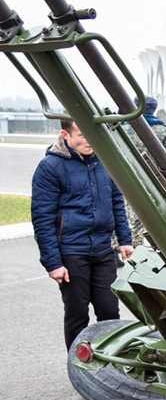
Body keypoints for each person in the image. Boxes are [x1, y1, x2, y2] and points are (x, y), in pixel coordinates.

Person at [31, 119, 133, 350]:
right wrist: (53, 263)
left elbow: (116, 201)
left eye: (90, 134)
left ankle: (111, 364)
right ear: (65, 134)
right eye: (81, 135)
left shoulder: (105, 162)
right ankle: (77, 364)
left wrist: (125, 240)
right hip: (72, 252)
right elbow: (42, 219)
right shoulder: (50, 167)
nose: (89, 141)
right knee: (77, 314)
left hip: (103, 250)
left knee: (110, 311)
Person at [121, 95, 166, 247]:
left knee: (134, 217)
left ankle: (136, 249)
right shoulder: (162, 130)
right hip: (155, 181)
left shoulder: (125, 128)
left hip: (131, 180)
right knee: (158, 218)